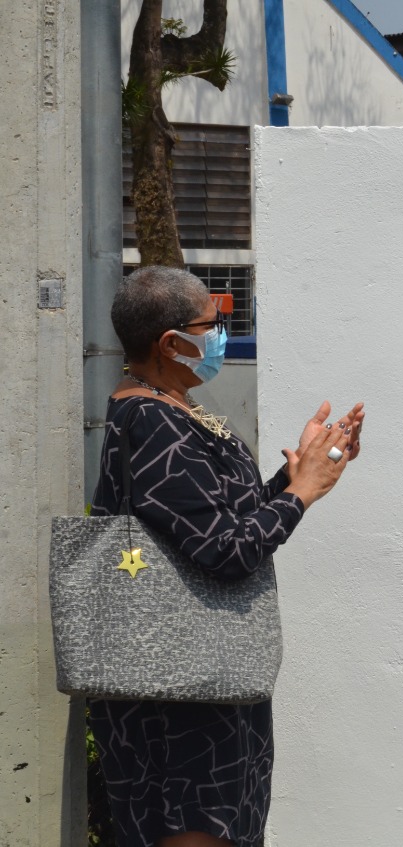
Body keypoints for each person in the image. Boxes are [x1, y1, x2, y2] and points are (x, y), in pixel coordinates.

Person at [89, 266, 366, 847]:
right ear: (171, 343)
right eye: (211, 325)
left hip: (208, 678)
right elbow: (227, 550)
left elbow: (215, 523)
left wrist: (293, 476)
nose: (220, 335)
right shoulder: (151, 421)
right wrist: (298, 494)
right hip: (180, 699)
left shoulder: (174, 409)